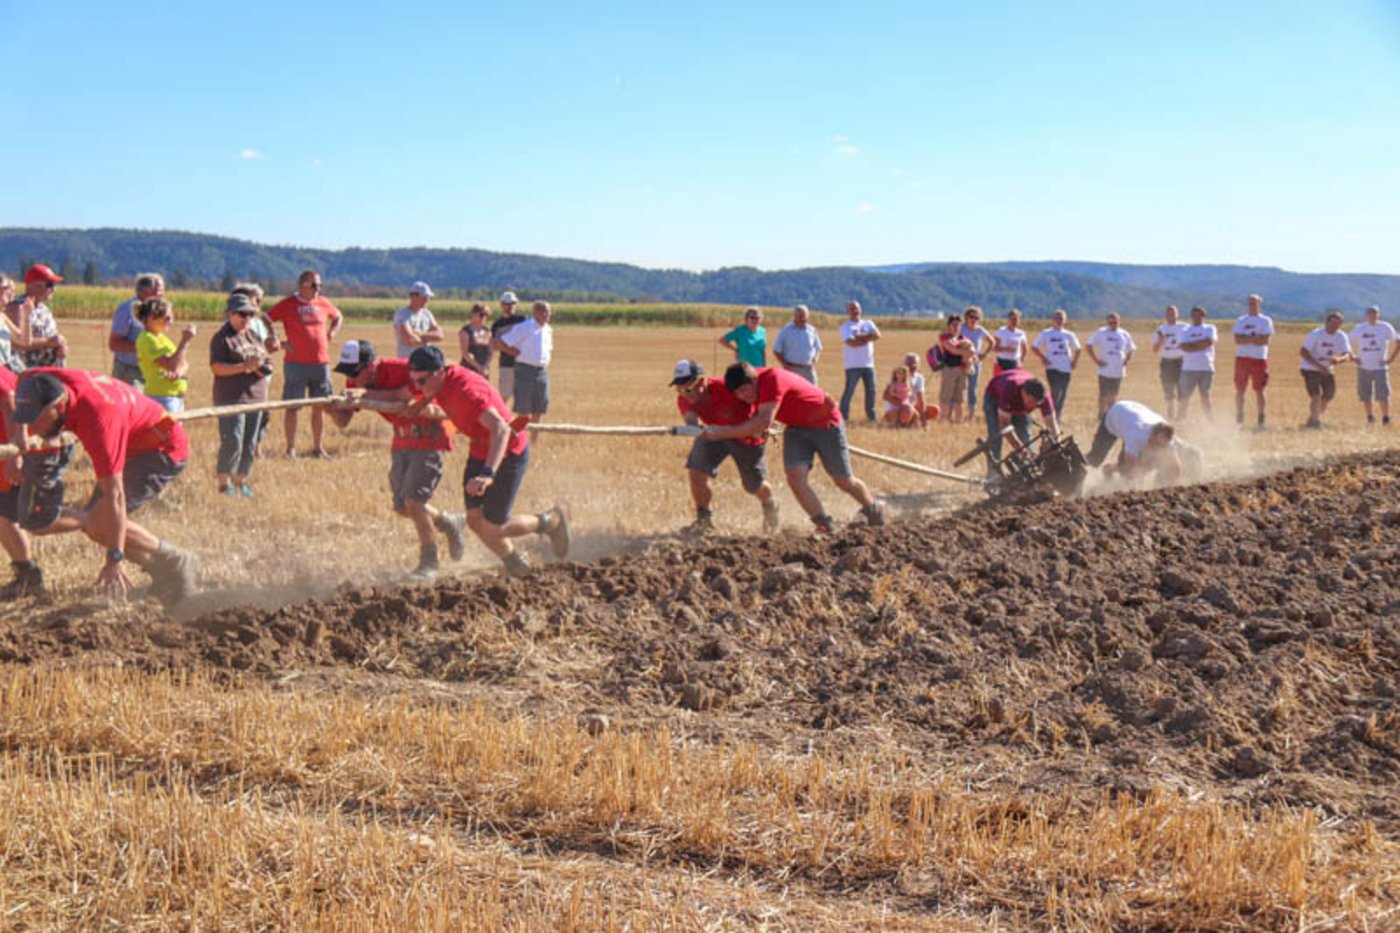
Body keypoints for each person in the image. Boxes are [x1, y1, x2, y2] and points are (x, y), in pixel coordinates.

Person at [10, 369, 199, 606]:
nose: (32, 426)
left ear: (58, 407)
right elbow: (25, 376)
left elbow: (115, 495)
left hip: (160, 450)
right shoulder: (43, 381)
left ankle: (176, 561)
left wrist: (114, 559)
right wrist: (19, 433)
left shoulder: (99, 421)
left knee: (101, 523)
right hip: (131, 441)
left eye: (36, 418)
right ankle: (167, 571)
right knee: (98, 525)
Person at [404, 346, 569, 577]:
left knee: (495, 526)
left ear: (439, 372)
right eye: (414, 382)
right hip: (481, 449)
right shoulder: (440, 380)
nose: (417, 387)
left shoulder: (467, 392)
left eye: (421, 381)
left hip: (508, 452)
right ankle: (514, 562)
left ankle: (550, 521)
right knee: (474, 520)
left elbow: (501, 429)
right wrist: (420, 402)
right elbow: (429, 392)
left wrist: (488, 474)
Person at [330, 340, 469, 579]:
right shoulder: (355, 382)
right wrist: (330, 407)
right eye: (347, 372)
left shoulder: (405, 368)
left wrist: (366, 393)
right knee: (404, 507)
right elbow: (343, 421)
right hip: (402, 441)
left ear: (370, 366)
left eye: (355, 372)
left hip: (428, 437)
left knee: (415, 502)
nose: (352, 379)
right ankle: (449, 522)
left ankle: (429, 562)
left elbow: (404, 396)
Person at [705, 362, 885, 534]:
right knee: (795, 478)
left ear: (754, 381)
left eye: (744, 390)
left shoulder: (772, 379)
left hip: (825, 422)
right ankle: (823, 524)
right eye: (738, 393)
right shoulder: (748, 382)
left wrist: (722, 432)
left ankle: (871, 508)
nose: (743, 397)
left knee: (842, 479)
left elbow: (762, 422)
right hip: (796, 427)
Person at [669, 359, 779, 534]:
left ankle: (770, 505)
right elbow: (692, 423)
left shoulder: (727, 387)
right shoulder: (684, 399)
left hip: (746, 436)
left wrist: (764, 426)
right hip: (714, 433)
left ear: (702, 381)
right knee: (696, 472)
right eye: (680, 389)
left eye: (688, 387)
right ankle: (704, 520)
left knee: (754, 486)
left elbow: (759, 405)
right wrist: (691, 429)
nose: (685, 394)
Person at [267, 269, 342, 458]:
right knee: (293, 407)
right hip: (296, 364)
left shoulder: (323, 303)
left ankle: (318, 447)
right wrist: (278, 341)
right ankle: (290, 449)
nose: (318, 289)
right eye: (314, 285)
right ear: (302, 286)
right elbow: (266, 319)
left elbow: (338, 317)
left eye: (320, 285)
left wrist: (332, 332)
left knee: (320, 406)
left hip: (320, 362)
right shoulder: (288, 304)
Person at [209, 293, 273, 497]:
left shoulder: (253, 335)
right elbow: (217, 368)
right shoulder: (222, 338)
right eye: (242, 314)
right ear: (230, 314)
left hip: (256, 396)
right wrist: (244, 367)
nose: (247, 319)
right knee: (232, 440)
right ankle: (224, 484)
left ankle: (241, 481)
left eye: (251, 315)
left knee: (249, 442)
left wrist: (260, 365)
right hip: (232, 397)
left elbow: (267, 362)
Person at [0, 364, 42, 597]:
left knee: (5, 515)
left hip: (8, 452)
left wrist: (14, 455)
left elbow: (10, 405)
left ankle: (28, 576)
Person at [230, 282, 280, 459]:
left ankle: (255, 448)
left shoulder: (258, 324)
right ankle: (244, 452)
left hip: (263, 379)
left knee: (262, 417)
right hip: (248, 379)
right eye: (256, 299)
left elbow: (264, 348)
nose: (259, 304)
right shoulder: (241, 323)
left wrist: (274, 346)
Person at [1085, 400, 1188, 486]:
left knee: (1150, 462)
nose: (1159, 448)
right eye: (1157, 445)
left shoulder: (1169, 441)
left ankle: (1108, 469)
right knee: (1095, 459)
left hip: (1134, 412)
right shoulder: (1137, 434)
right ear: (1151, 436)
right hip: (1115, 415)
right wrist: (1139, 491)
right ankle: (1075, 463)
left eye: (1162, 446)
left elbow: (1176, 467)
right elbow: (1132, 466)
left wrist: (1174, 486)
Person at [981, 368, 1061, 474]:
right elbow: (1005, 426)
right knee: (996, 437)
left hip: (1017, 397)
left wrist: (1056, 445)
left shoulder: (1044, 396)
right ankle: (993, 474)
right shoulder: (1008, 390)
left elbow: (1052, 423)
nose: (1034, 406)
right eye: (1031, 402)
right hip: (994, 396)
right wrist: (1021, 449)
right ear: (1024, 393)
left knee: (1025, 437)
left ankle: (1029, 472)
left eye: (1037, 404)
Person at [135, 297, 197, 414]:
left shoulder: (161, 338)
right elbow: (172, 365)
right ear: (152, 317)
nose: (171, 322)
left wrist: (179, 373)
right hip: (162, 398)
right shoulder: (147, 339)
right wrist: (185, 341)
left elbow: (183, 363)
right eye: (168, 318)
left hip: (174, 397)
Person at [498, 299, 553, 425]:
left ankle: (534, 439)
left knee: (539, 408)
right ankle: (521, 440)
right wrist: (514, 353)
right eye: (544, 311)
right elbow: (501, 343)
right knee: (524, 409)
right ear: (535, 313)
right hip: (525, 370)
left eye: (549, 312)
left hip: (542, 371)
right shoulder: (524, 327)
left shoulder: (549, 330)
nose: (547, 314)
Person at [5, 264, 68, 369]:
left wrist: (60, 346)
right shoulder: (18, 307)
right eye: (50, 284)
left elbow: (53, 338)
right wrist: (49, 342)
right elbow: (17, 342)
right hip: (22, 370)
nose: (54, 289)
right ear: (35, 285)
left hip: (46, 369)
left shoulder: (44, 309)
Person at [1299, 311, 1353, 429]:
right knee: (1316, 395)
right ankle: (1316, 423)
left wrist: (1339, 359)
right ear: (1327, 322)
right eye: (1333, 323)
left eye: (1339, 323)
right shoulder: (1316, 334)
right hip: (1310, 368)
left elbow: (1348, 354)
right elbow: (1303, 352)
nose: (1335, 326)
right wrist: (1319, 367)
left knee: (1329, 395)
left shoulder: (1341, 336)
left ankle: (1313, 419)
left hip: (1327, 369)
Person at [110, 273, 164, 386]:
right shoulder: (126, 311)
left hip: (152, 372)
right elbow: (114, 344)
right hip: (129, 372)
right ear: (144, 291)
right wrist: (144, 345)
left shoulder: (160, 311)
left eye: (162, 289)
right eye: (158, 289)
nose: (161, 294)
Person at [1232, 293, 1275, 429]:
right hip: (1242, 358)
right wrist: (1255, 338)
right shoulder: (1241, 320)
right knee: (1240, 390)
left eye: (1255, 303)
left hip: (1259, 359)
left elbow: (1265, 341)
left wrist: (1247, 339)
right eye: (1250, 302)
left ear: (1259, 304)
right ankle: (1239, 419)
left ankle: (1261, 419)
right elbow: (1237, 340)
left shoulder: (1265, 321)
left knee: (1260, 390)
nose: (1252, 305)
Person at [1351, 305, 1398, 425]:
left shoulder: (1385, 327)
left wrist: (1390, 359)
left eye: (1375, 313)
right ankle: (1370, 416)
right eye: (1370, 313)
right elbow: (1346, 342)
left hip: (1380, 367)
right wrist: (1353, 357)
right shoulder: (1360, 328)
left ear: (1379, 315)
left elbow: (1397, 341)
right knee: (1365, 394)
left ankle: (1386, 417)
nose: (1372, 316)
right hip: (1363, 367)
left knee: (1383, 393)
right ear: (1366, 315)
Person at [1031, 309, 1081, 417]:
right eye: (1057, 318)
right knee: (1055, 391)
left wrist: (1074, 361)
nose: (1059, 320)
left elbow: (1078, 348)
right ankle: (1050, 414)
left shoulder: (1069, 334)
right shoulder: (1046, 333)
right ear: (1053, 320)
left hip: (1066, 367)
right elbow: (1034, 347)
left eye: (1061, 318)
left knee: (1063, 393)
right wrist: (1043, 358)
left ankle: (1057, 415)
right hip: (1052, 367)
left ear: (1065, 320)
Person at [838, 300, 881, 423]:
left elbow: (877, 335)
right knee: (849, 391)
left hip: (869, 364)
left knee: (871, 391)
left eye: (857, 308)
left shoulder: (868, 323)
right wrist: (868, 337)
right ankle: (843, 417)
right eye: (852, 309)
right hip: (852, 365)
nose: (855, 311)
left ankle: (871, 417)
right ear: (848, 312)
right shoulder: (845, 327)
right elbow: (851, 343)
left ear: (861, 310)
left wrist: (860, 338)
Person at [1085, 313, 1136, 414]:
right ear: (1107, 322)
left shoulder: (1124, 334)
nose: (1112, 324)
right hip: (1105, 370)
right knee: (1103, 395)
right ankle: (1101, 414)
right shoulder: (1101, 332)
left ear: (1119, 322)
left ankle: (1110, 415)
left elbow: (1131, 348)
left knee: (1113, 395)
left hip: (1118, 371)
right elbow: (1088, 346)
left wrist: (1127, 360)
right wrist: (1096, 360)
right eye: (1110, 322)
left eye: (1115, 322)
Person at [1176, 306, 1218, 420]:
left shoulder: (1210, 328)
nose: (1196, 318)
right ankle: (1181, 420)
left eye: (1199, 315)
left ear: (1204, 316)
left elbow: (1208, 342)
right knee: (1184, 396)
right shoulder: (1184, 330)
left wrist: (1191, 345)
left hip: (1206, 368)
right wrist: (1199, 345)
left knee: (1205, 396)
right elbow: (1183, 347)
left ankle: (1209, 420)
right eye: (1194, 315)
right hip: (1188, 368)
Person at [932, 313, 975, 423]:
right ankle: (942, 420)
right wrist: (966, 352)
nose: (956, 327)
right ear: (949, 326)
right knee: (945, 397)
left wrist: (968, 351)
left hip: (962, 370)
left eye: (958, 325)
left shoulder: (962, 338)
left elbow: (973, 350)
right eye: (954, 325)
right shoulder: (944, 337)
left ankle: (958, 421)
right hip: (949, 369)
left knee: (960, 398)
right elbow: (952, 350)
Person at [393, 280, 445, 360]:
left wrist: (419, 334)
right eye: (424, 297)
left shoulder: (427, 313)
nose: (427, 300)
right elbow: (409, 339)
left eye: (427, 298)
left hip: (426, 360)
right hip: (408, 360)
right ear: (413, 296)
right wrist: (429, 337)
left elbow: (440, 335)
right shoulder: (402, 314)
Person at [490, 291, 527, 404]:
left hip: (523, 362)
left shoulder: (523, 320)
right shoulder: (497, 325)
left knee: (523, 396)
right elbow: (495, 346)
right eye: (507, 303)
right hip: (506, 363)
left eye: (513, 303)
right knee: (504, 396)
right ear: (502, 304)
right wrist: (509, 350)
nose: (510, 306)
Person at [772, 304, 822, 383]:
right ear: (795, 316)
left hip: (808, 369)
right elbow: (776, 350)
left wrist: (815, 360)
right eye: (801, 316)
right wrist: (785, 365)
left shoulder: (812, 330)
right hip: (792, 368)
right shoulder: (786, 331)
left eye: (805, 316)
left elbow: (818, 348)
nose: (803, 319)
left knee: (812, 393)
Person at [1152, 305, 1186, 419]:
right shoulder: (1160, 329)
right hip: (1167, 363)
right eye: (1168, 313)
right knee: (1168, 391)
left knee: (1182, 391)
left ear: (1178, 314)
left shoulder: (1185, 327)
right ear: (1165, 315)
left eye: (1173, 313)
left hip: (1181, 362)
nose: (1171, 316)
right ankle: (1170, 415)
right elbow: (1155, 350)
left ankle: (1181, 417)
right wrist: (1161, 340)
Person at [960, 306, 993, 408]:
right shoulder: (961, 329)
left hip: (975, 362)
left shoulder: (980, 330)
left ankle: (971, 413)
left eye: (976, 317)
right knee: (961, 387)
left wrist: (984, 354)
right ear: (966, 317)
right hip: (962, 361)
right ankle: (959, 411)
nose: (973, 319)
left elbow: (992, 342)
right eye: (971, 316)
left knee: (973, 388)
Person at [458, 302, 494, 376]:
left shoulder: (487, 331)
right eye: (481, 315)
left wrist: (485, 366)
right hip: (469, 369)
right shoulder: (465, 331)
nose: (483, 318)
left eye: (486, 315)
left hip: (484, 370)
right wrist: (479, 367)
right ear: (473, 314)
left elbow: (490, 352)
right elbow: (465, 354)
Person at [902, 352, 930, 427]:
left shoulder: (919, 377)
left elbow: (921, 399)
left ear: (918, 365)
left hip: (912, 405)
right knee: (908, 411)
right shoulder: (898, 376)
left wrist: (924, 420)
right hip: (899, 406)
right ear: (904, 364)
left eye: (914, 363)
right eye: (908, 363)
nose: (911, 365)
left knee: (934, 410)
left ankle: (913, 418)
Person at [0, 275, 20, 372]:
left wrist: (26, 317)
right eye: (6, 289)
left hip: (5, 370)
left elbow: (22, 340)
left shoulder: (2, 316)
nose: (11, 293)